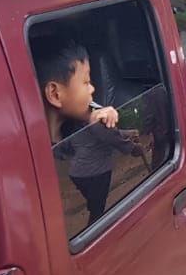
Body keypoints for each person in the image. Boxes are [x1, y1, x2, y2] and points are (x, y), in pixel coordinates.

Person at [36, 43, 141, 227]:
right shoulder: (39, 154)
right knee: (97, 214)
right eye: (86, 82)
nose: (93, 89)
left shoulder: (76, 126)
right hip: (93, 178)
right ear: (55, 94)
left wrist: (100, 120)